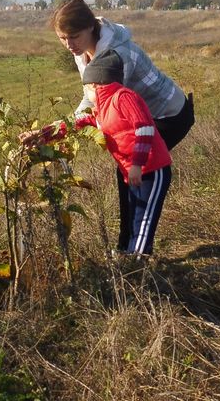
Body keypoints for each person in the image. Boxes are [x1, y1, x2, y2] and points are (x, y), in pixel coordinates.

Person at [50, 0, 193, 252]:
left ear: (90, 28)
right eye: (62, 38)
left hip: (170, 114)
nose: (68, 44)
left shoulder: (117, 54)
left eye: (74, 36)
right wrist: (57, 130)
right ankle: (127, 247)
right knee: (127, 171)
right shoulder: (83, 53)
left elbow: (109, 110)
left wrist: (65, 130)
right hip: (144, 115)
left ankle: (136, 252)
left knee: (140, 172)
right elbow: (91, 98)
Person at [64, 49, 173, 256]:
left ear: (96, 83)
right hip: (133, 171)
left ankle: (135, 265)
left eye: (86, 86)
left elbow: (145, 129)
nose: (86, 91)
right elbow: (75, 123)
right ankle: (132, 259)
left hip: (151, 169)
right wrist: (42, 134)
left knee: (144, 220)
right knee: (133, 217)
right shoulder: (101, 110)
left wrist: (137, 165)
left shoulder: (123, 97)